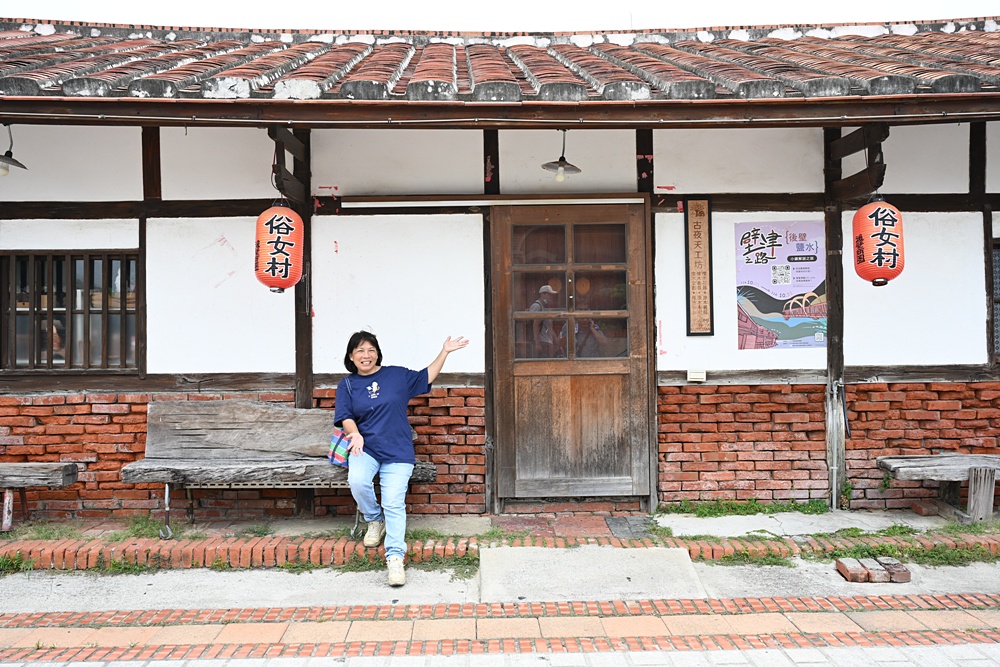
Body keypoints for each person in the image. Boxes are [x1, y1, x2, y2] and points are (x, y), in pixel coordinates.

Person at [335, 330, 469, 587]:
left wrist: (445, 351)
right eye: (360, 351)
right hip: (366, 448)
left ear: (377, 353)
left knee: (394, 501)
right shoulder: (348, 385)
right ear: (351, 356)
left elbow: (426, 376)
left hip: (397, 451)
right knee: (358, 481)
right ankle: (374, 519)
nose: (366, 355)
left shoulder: (396, 375)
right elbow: (345, 416)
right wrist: (355, 435)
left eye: (371, 350)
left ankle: (395, 558)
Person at [528, 284, 559, 357]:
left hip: (548, 342)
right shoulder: (537, 306)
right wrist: (538, 343)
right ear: (543, 294)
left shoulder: (546, 307)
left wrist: (557, 344)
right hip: (542, 342)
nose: (551, 297)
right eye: (549, 294)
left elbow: (550, 328)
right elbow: (534, 324)